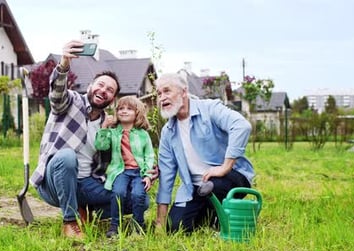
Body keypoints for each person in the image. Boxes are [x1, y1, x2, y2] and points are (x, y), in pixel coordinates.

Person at [30, 40, 158, 239]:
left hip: (87, 184)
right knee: (66, 157)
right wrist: (64, 63)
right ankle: (70, 221)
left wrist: (146, 169)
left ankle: (88, 212)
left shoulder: (109, 125)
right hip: (54, 182)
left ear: (113, 99)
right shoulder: (69, 101)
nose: (103, 90)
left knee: (139, 200)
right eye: (100, 85)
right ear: (90, 86)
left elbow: (122, 157)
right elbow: (56, 93)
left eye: (109, 90)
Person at [154, 73, 254, 234]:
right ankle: (208, 217)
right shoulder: (168, 131)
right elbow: (166, 176)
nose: (161, 98)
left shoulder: (209, 108)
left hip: (231, 177)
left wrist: (225, 166)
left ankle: (220, 217)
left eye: (167, 91)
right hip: (195, 188)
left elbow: (241, 126)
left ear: (184, 92)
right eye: (159, 94)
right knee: (175, 228)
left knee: (212, 186)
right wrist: (160, 221)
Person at [95, 96, 155, 238]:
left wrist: (147, 175)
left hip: (138, 172)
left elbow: (150, 156)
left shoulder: (143, 135)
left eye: (129, 109)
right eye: (121, 108)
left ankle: (139, 226)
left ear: (137, 113)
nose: (124, 111)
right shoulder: (113, 132)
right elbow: (101, 146)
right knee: (118, 193)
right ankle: (115, 226)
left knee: (138, 194)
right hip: (120, 171)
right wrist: (104, 127)